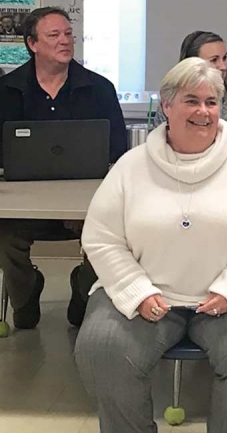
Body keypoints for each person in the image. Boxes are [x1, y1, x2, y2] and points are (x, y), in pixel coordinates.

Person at [75, 57, 227, 433]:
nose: (203, 112)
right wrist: (137, 292)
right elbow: (102, 238)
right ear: (167, 106)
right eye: (192, 100)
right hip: (148, 299)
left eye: (212, 101)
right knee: (102, 347)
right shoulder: (130, 166)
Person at [0, 7, 127, 329]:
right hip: (22, 206)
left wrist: (85, 204)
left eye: (68, 34)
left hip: (86, 206)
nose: (65, 41)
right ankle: (26, 293)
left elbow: (118, 153)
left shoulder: (99, 89)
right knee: (3, 238)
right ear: (32, 44)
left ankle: (82, 292)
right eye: (54, 35)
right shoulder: (6, 91)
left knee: (113, 237)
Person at [154, 31, 227, 155]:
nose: (223, 66)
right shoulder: (172, 100)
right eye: (214, 60)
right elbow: (160, 146)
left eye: (224, 58)